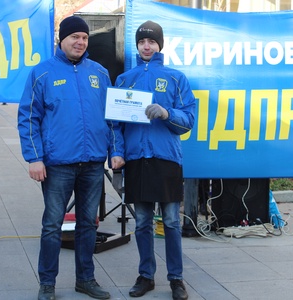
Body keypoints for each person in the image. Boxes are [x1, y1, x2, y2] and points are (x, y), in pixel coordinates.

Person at [18, 16, 112, 300]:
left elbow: (113, 119)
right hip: (58, 165)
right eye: (75, 37)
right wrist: (34, 158)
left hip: (93, 163)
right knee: (52, 225)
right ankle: (47, 283)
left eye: (84, 37)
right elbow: (28, 118)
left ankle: (86, 279)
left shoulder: (100, 73)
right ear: (62, 40)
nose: (80, 42)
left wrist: (115, 152)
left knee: (88, 224)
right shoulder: (42, 73)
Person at [109, 20, 195, 300]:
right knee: (143, 222)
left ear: (160, 44)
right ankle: (146, 275)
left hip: (166, 159)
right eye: (142, 42)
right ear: (137, 45)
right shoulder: (125, 79)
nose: (147, 46)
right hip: (136, 160)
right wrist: (117, 152)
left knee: (170, 221)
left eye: (152, 42)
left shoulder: (175, 78)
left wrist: (168, 114)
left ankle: (176, 279)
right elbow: (115, 124)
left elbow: (189, 121)